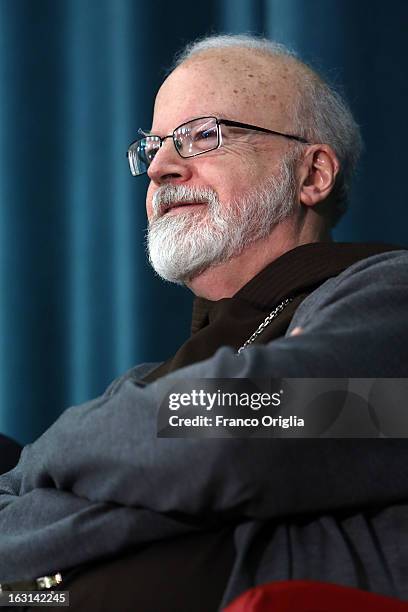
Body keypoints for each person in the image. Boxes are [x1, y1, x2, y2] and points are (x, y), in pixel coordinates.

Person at [0, 34, 407, 611]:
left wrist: (63, 451)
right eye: (154, 146)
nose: (161, 167)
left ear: (312, 174)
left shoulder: (390, 293)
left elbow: (229, 444)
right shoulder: (143, 384)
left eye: (201, 136)